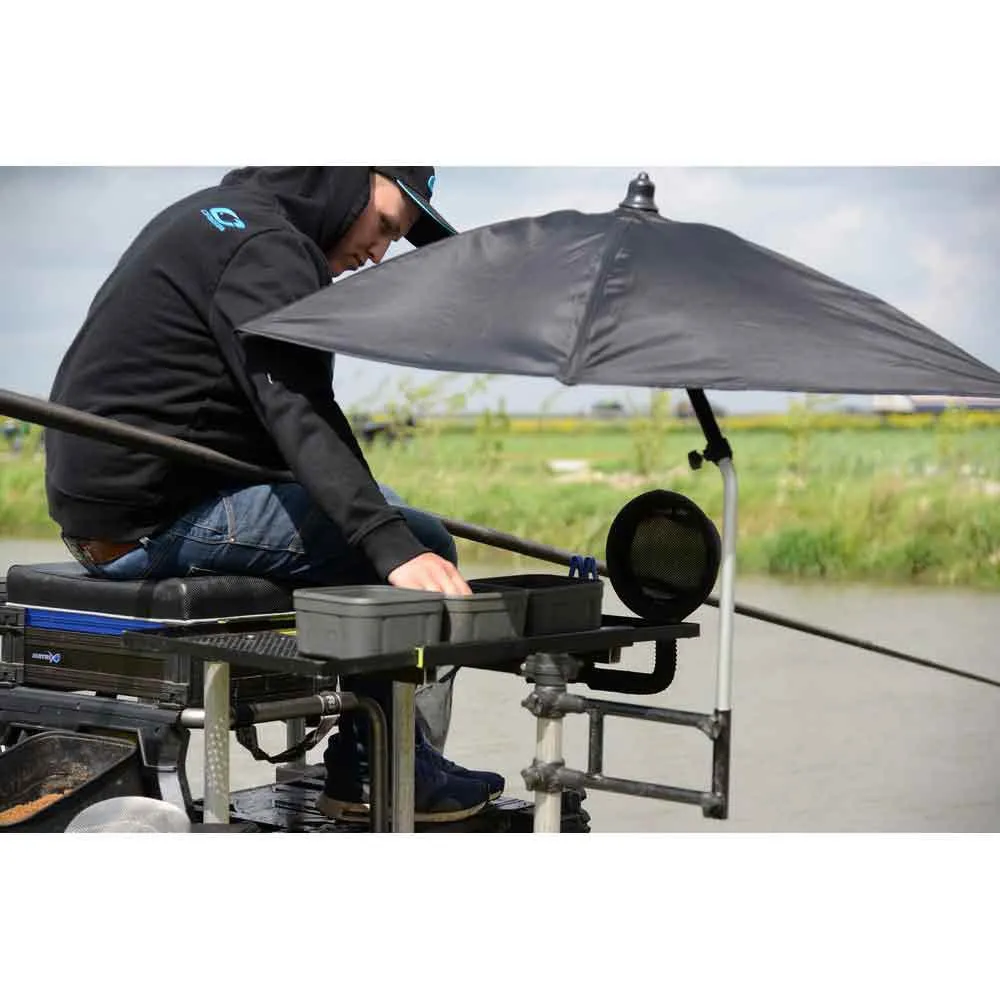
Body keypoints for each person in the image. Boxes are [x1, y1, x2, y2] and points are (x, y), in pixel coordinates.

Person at [44, 166, 504, 824]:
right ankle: (381, 768)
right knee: (422, 544)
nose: (378, 253)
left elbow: (262, 417)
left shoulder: (223, 215)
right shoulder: (270, 248)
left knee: (391, 513)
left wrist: (379, 520)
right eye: (384, 226)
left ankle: (392, 747)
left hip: (119, 510)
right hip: (151, 520)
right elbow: (297, 409)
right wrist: (391, 543)